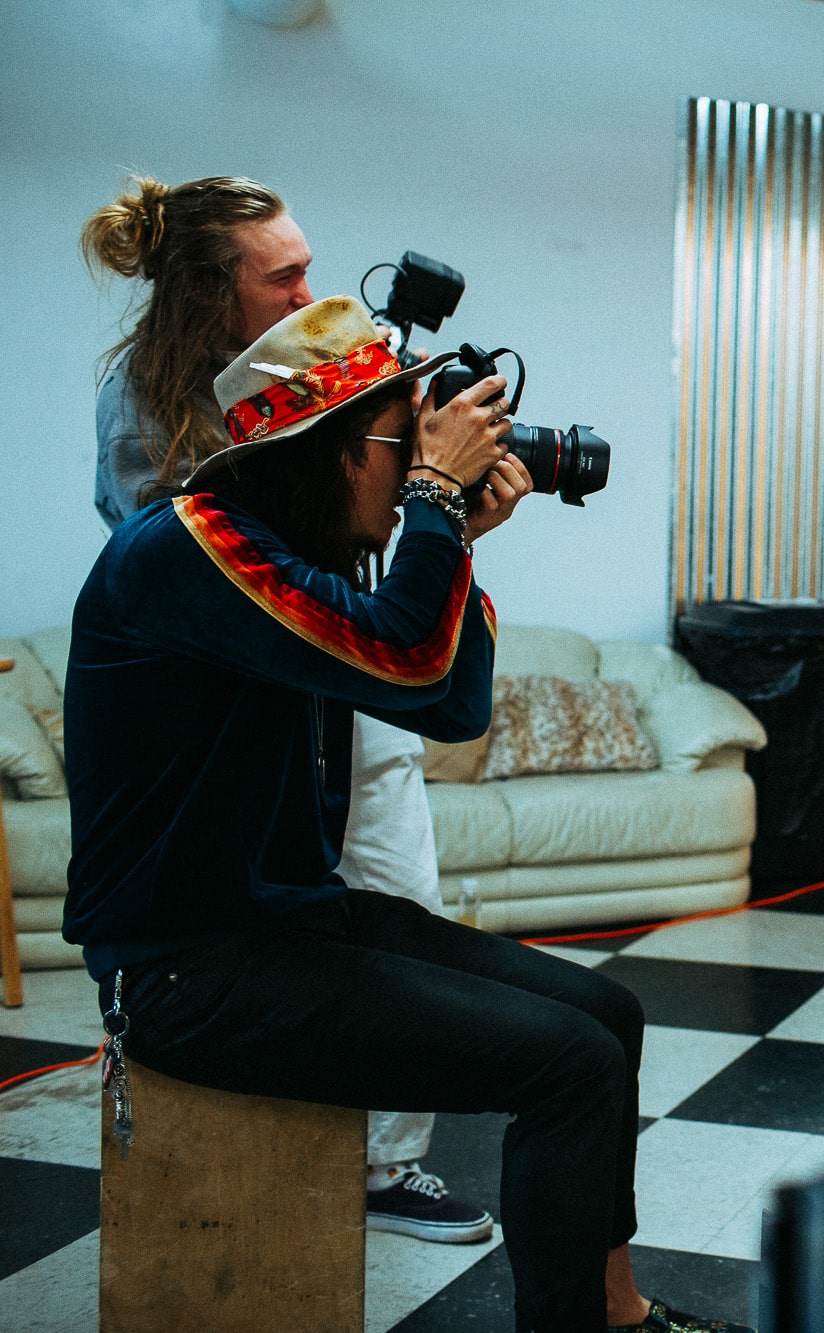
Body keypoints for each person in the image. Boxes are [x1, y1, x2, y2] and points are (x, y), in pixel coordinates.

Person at [62, 296, 722, 1332]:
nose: (424, 462)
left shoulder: (286, 559)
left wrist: (455, 530)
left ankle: (614, 1311)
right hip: (186, 966)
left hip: (287, 923)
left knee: (610, 1017)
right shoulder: (188, 542)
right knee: (569, 1064)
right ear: (328, 449)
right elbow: (410, 654)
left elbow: (440, 697)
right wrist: (435, 501)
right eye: (403, 441)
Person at [82, 174, 486, 1243]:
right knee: (262, 937)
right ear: (215, 295)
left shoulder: (338, 360)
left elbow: (379, 570)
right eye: (287, 273)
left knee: (402, 908)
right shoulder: (146, 400)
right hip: (244, 717)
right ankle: (266, 1153)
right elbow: (196, 560)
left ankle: (388, 1164)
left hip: (353, 689)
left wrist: (421, 483)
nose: (311, 285)